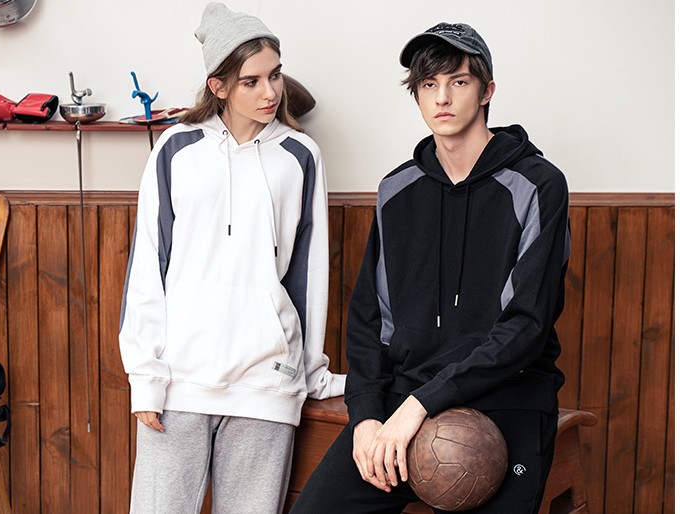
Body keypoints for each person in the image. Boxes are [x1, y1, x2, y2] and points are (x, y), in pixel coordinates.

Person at [290, 22, 569, 514]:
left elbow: (526, 326)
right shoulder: (397, 190)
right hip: (405, 396)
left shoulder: (538, 185)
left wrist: (421, 406)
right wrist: (367, 417)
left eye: (458, 81)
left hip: (507, 398)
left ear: (487, 91)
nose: (442, 97)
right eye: (428, 84)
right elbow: (369, 319)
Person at [118, 3, 345, 513]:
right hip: (178, 381)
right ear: (218, 86)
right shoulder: (175, 150)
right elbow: (149, 265)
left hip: (265, 384)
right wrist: (146, 377)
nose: (270, 93)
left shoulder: (300, 156)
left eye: (275, 75)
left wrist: (306, 371)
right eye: (251, 81)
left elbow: (310, 275)